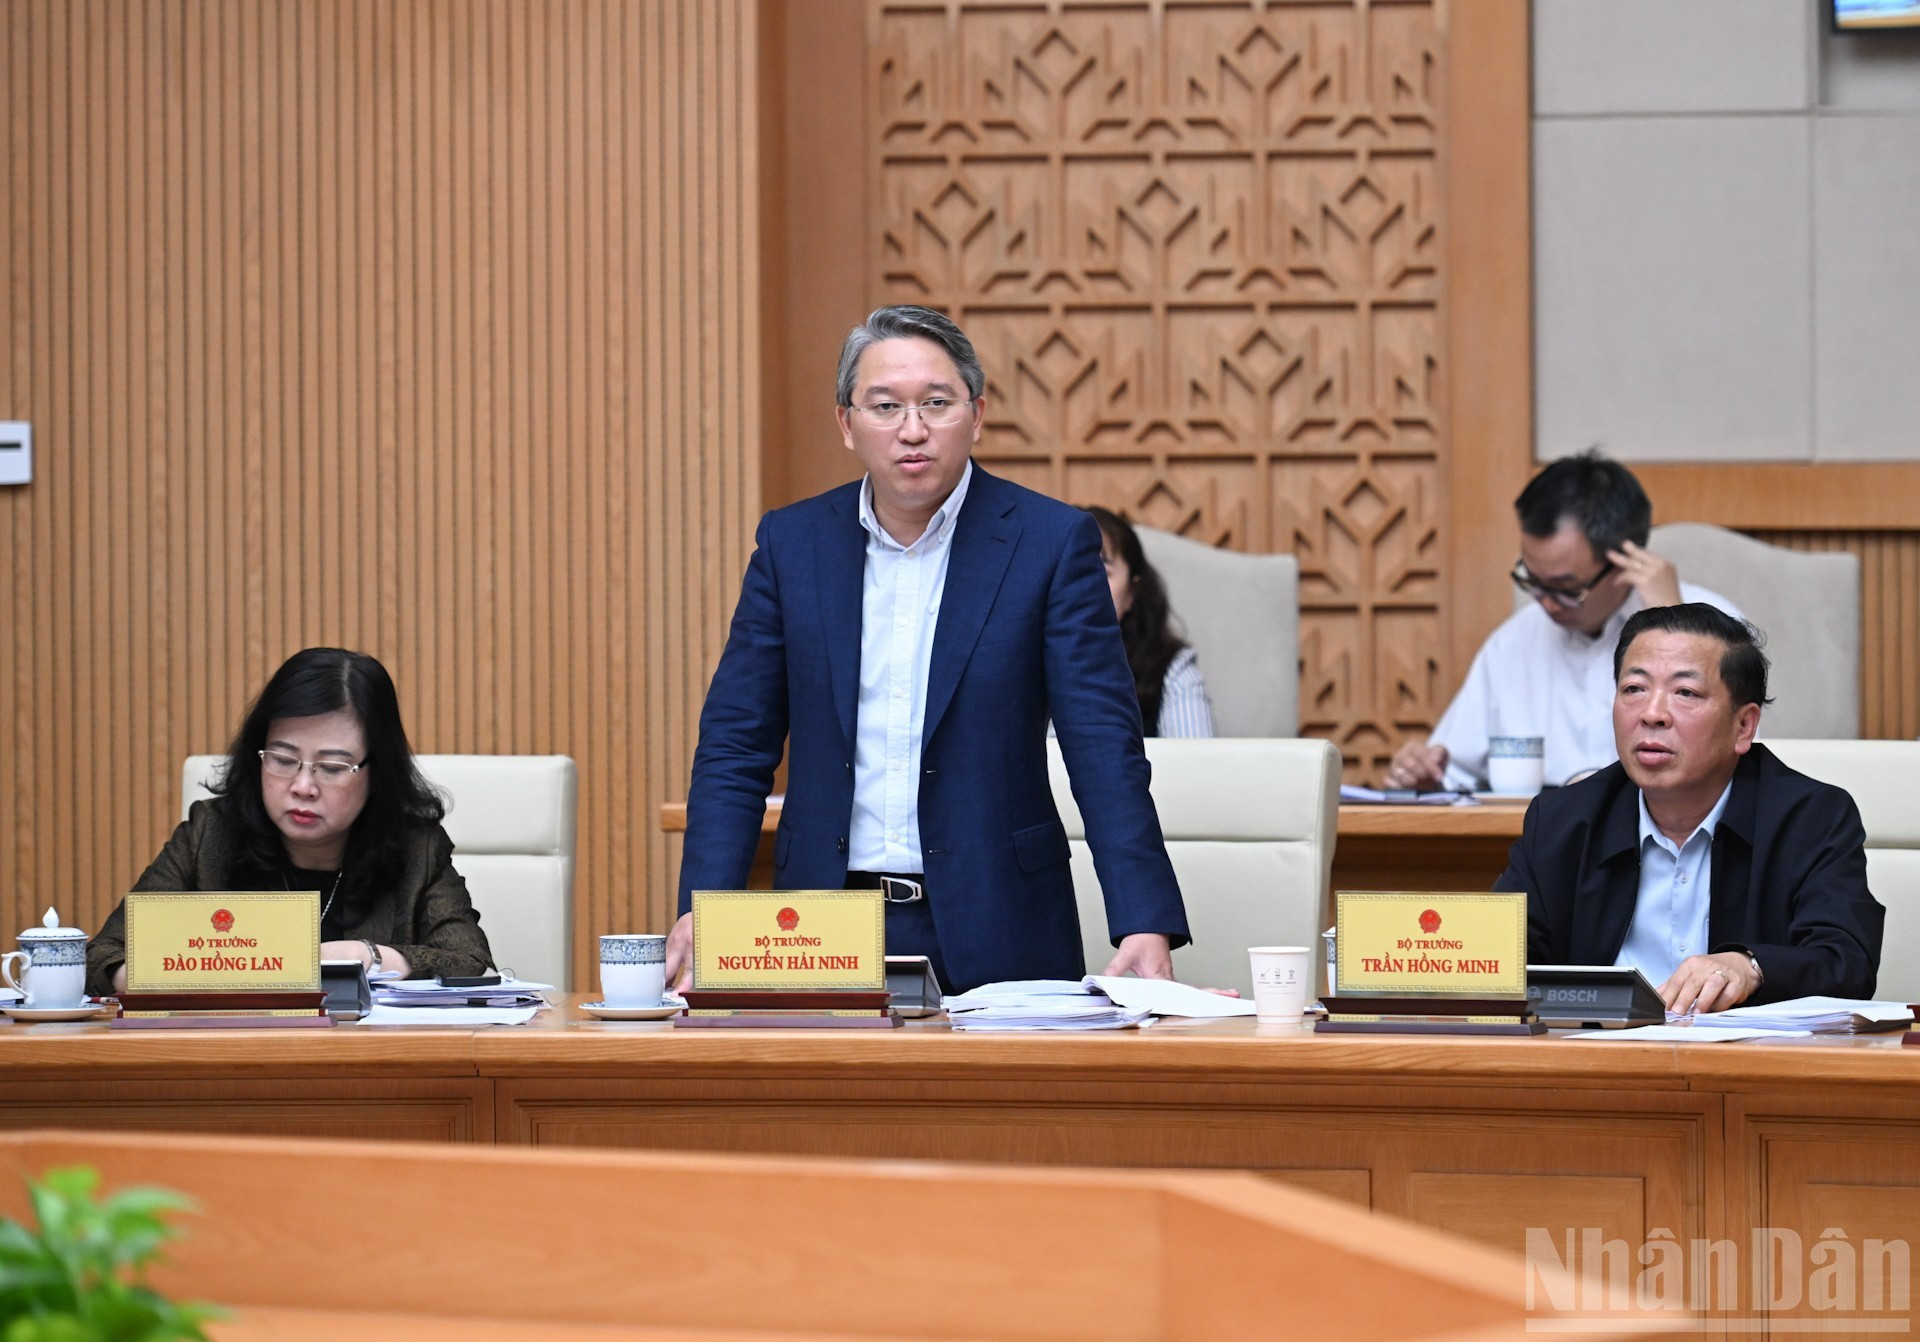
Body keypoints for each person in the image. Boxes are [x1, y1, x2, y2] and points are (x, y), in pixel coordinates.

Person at [670, 304, 1190, 995]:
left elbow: (1103, 747)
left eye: (936, 404)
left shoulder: (1049, 544)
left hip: (1003, 919)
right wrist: (701, 909)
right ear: (846, 423)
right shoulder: (793, 546)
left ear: (976, 415)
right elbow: (736, 745)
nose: (912, 430)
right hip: (819, 925)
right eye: (885, 406)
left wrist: (1144, 921)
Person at [1494, 604, 1881, 1012]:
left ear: (1744, 726)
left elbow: (1847, 963)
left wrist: (1750, 967)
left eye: (1686, 693)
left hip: (1745, 1068)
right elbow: (1500, 964)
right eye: (1634, 689)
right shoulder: (1562, 820)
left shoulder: (1811, 818)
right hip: (1593, 1065)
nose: (1652, 714)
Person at [87, 647, 493, 996]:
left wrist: (370, 956)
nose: (302, 786)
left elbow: (469, 961)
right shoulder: (210, 833)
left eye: (332, 767)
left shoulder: (416, 847)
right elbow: (104, 957)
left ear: (378, 772)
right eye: (282, 760)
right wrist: (170, 975)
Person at [1386, 450, 1741, 792]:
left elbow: (1733, 763)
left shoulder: (1716, 627)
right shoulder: (1514, 641)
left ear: (1625, 562)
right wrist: (1425, 774)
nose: (1546, 603)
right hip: (1534, 838)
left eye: (1566, 589)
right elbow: (1455, 770)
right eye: (1533, 581)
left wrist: (1672, 622)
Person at [1082, 506, 1214, 738]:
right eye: (1070, 569)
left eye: (1102, 568)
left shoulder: (1172, 671)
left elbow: (1197, 769)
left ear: (1132, 592)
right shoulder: (1013, 655)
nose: (1082, 584)